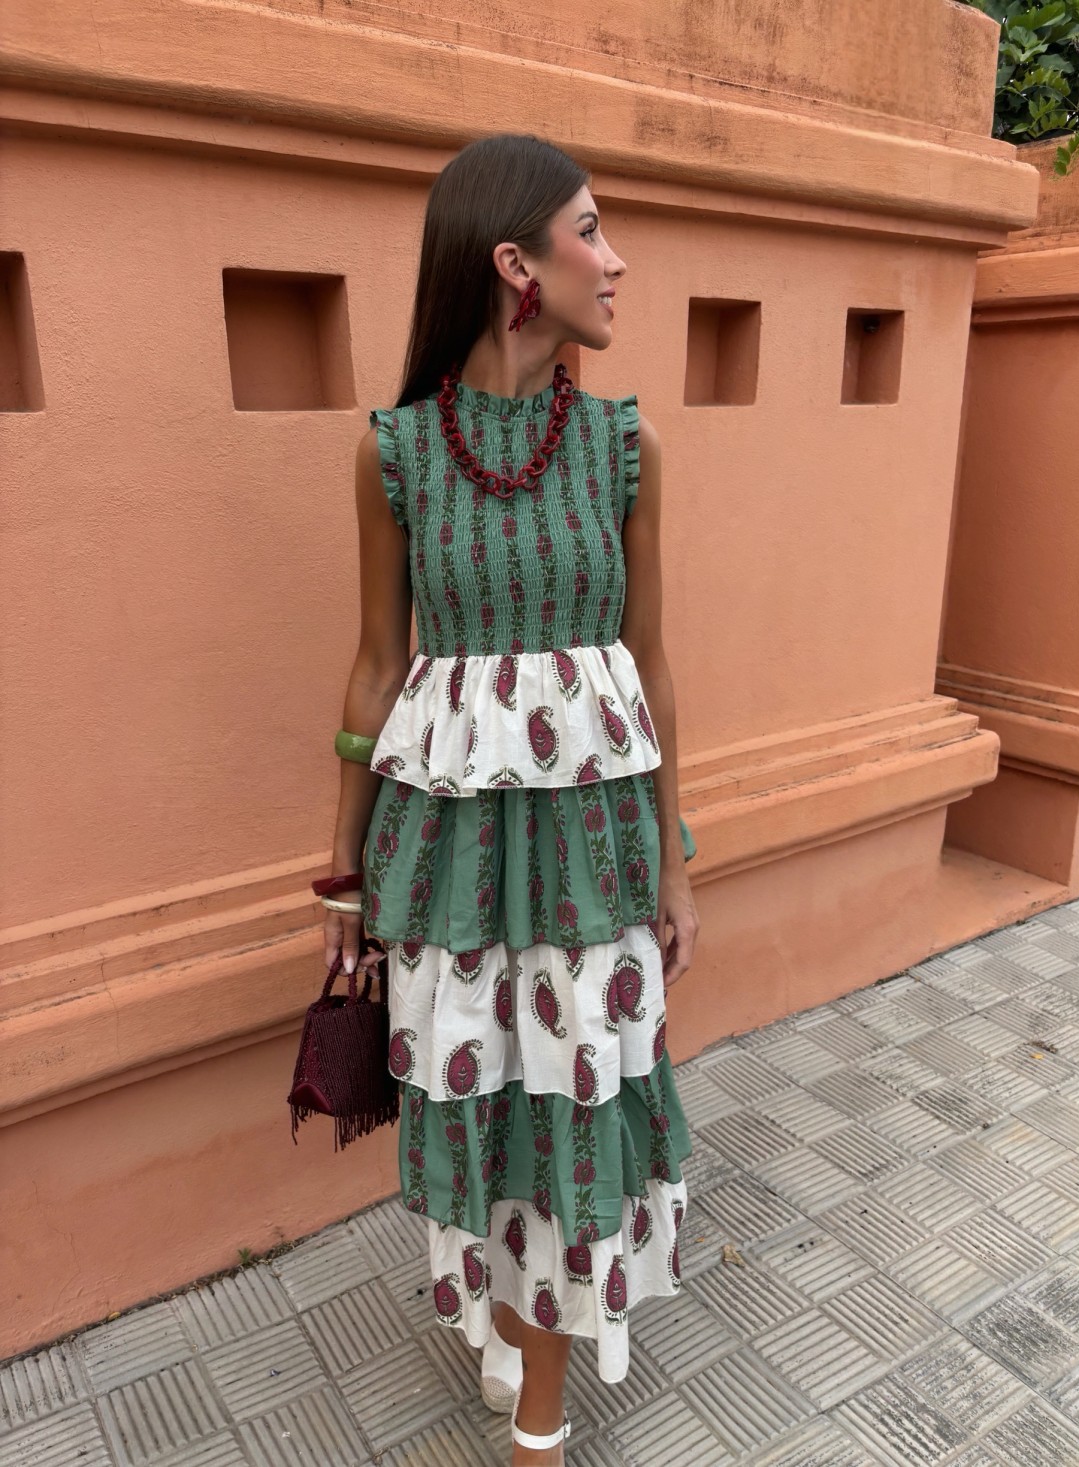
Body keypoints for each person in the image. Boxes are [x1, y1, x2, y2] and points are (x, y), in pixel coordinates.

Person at [322, 132, 700, 1464]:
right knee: (481, 1095)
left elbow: (649, 666)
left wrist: (676, 858)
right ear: (514, 266)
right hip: (449, 860)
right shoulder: (395, 455)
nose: (617, 259)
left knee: (571, 1106)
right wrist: (344, 877)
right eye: (590, 230)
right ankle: (502, 1317)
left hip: (594, 860)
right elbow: (378, 664)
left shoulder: (624, 445)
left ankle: (543, 1420)